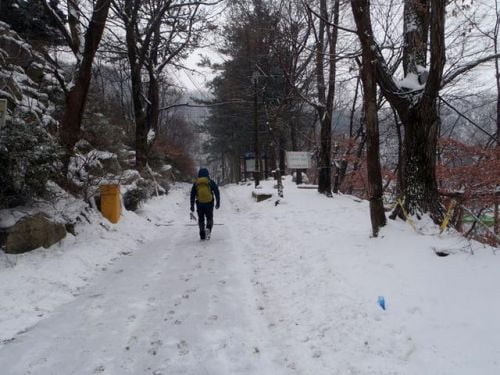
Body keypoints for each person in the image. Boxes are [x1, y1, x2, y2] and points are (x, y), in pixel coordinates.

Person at [190, 168, 220, 240]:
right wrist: (218, 202)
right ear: (207, 174)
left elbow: (192, 195)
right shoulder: (210, 182)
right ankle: (208, 228)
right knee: (209, 218)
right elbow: (216, 192)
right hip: (209, 203)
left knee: (201, 219)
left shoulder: (196, 183)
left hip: (200, 203)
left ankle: (202, 234)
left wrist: (192, 206)